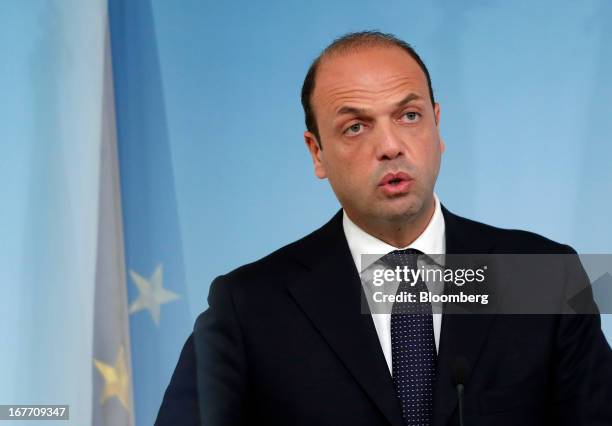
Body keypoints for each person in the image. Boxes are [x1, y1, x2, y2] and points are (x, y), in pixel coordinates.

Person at [155, 31, 612, 426]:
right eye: (355, 127)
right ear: (316, 153)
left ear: (438, 126)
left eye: (409, 116)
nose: (390, 146)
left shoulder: (541, 276)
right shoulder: (249, 306)